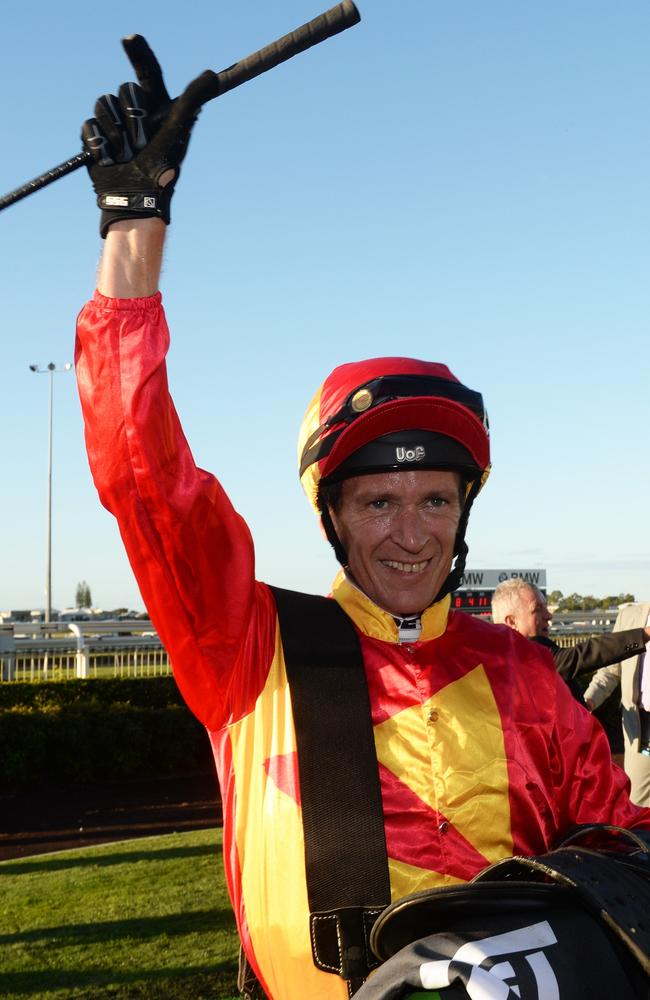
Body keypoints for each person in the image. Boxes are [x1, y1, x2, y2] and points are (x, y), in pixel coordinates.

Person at [74, 39, 650, 1000]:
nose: (413, 533)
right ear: (333, 515)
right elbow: (144, 475)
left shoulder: (523, 675)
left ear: (466, 511)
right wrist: (134, 229)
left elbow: (620, 846)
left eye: (436, 500)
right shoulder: (246, 646)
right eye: (379, 501)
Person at [491, 577, 649, 693]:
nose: (549, 615)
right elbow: (581, 656)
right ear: (512, 621)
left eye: (546, 607)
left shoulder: (494, 658)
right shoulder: (529, 653)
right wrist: (644, 634)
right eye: (537, 609)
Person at [584, 602, 650, 807]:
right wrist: (586, 703)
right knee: (637, 810)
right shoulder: (629, 616)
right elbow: (610, 672)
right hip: (640, 730)